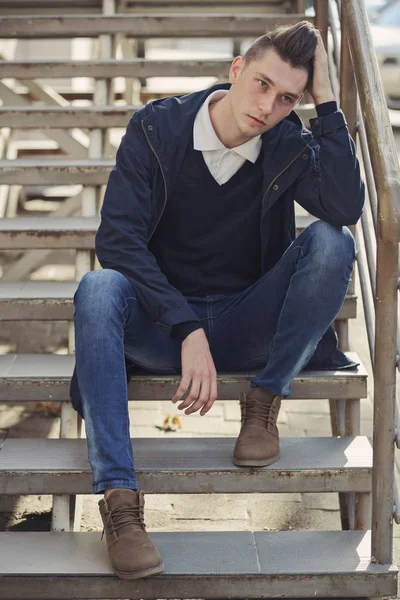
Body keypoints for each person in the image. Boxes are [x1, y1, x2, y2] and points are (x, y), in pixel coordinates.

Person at [70, 21, 364, 580]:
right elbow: (116, 241)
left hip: (245, 322)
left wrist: (327, 104)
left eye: (287, 98)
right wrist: (185, 327)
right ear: (235, 70)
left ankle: (264, 401)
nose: (267, 106)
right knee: (97, 287)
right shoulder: (157, 128)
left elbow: (344, 206)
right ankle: (120, 504)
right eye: (261, 84)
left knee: (332, 242)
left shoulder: (286, 141)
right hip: (162, 328)